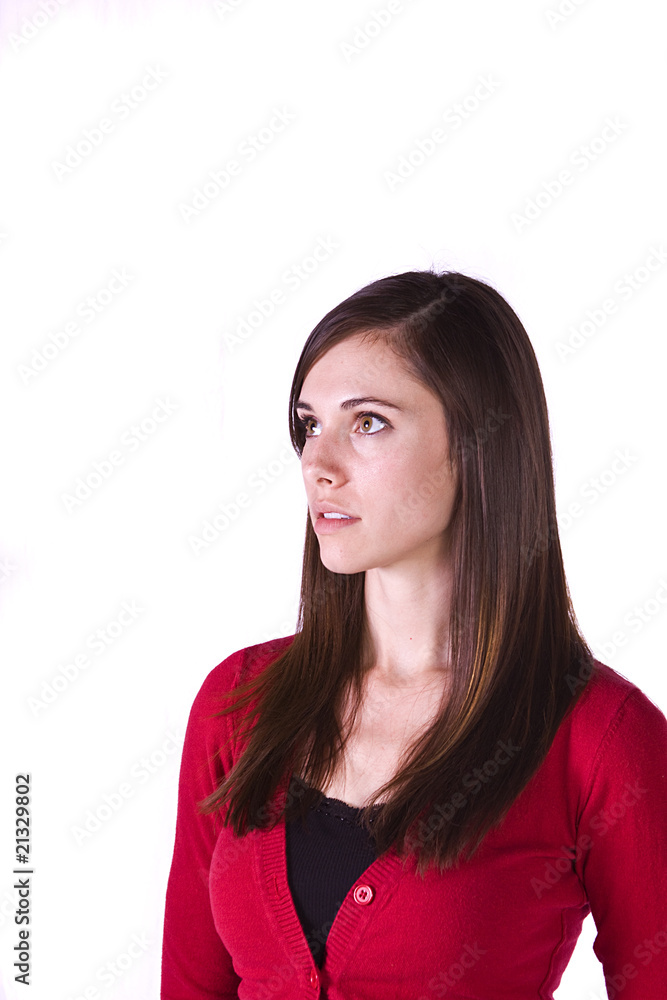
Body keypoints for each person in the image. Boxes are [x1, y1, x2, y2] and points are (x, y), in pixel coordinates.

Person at [160, 270, 667, 999]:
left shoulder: (599, 740)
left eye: (368, 423)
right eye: (309, 425)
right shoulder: (238, 703)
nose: (317, 464)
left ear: (478, 443)